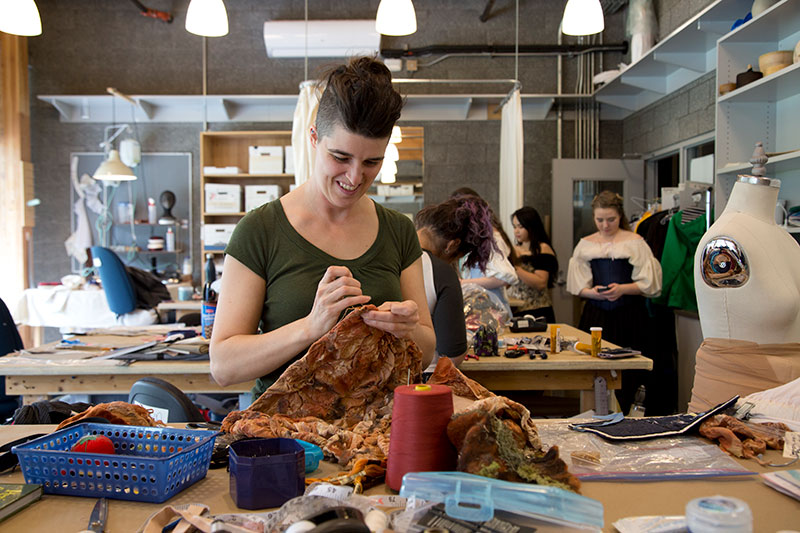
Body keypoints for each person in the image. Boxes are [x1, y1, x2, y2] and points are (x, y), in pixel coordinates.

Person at [209, 56, 436, 397]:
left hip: (376, 433)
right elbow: (224, 366)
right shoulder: (260, 230)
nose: (355, 177)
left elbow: (427, 350)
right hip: (286, 439)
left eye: (372, 161)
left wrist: (406, 329)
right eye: (341, 158)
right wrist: (310, 327)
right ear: (314, 137)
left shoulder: (398, 231)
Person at [566, 190, 662, 413]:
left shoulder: (635, 242)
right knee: (594, 367)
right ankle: (594, 414)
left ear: (620, 216)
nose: (605, 225)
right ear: (593, 218)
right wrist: (594, 293)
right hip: (596, 315)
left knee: (627, 370)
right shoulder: (586, 244)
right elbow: (579, 287)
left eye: (611, 219)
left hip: (629, 315)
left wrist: (623, 289)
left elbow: (650, 285)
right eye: (600, 220)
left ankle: (626, 414)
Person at [414, 195, 497, 378]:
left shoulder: (388, 255)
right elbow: (452, 353)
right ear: (452, 246)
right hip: (422, 378)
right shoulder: (441, 272)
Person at [450, 187, 518, 316]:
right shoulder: (478, 241)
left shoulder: (492, 239)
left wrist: (464, 283)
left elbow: (504, 277)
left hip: (493, 312)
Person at [507, 206, 558, 323]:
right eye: (514, 227)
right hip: (516, 309)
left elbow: (541, 282)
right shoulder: (513, 250)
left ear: (532, 226)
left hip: (538, 311)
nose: (516, 231)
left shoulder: (543, 249)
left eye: (521, 227)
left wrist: (516, 269)